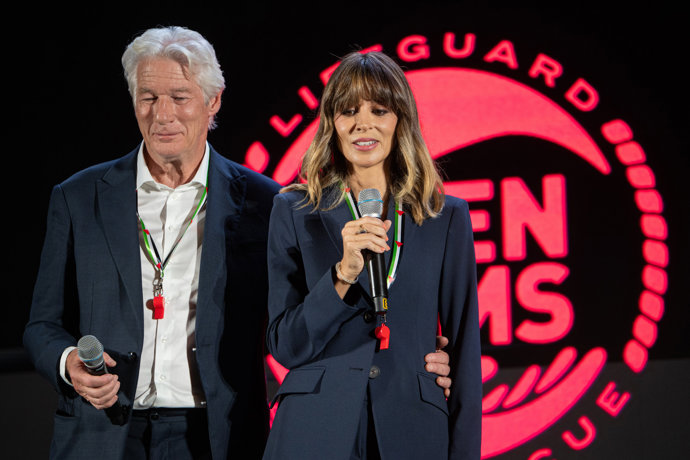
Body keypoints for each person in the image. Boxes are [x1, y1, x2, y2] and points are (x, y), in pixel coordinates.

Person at [23, 27, 453, 460]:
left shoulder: (265, 202)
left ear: (214, 101)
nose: (162, 114)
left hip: (220, 436)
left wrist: (415, 352)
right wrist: (67, 362)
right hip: (102, 435)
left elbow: (301, 318)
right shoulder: (79, 198)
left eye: (179, 97)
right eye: (148, 97)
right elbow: (42, 325)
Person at [263, 51, 482, 459]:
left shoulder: (445, 217)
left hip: (412, 428)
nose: (363, 123)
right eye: (349, 111)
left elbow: (465, 351)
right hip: (314, 428)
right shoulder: (294, 211)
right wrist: (342, 276)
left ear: (400, 119)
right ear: (332, 123)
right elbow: (285, 345)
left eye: (379, 110)